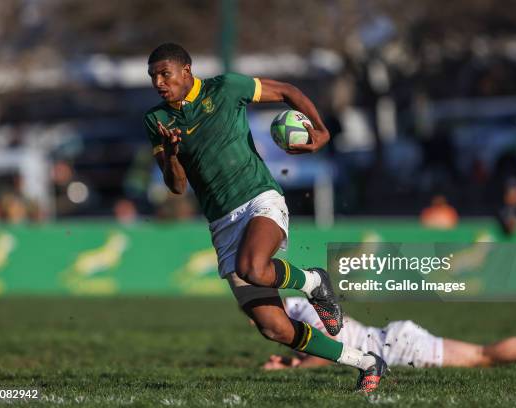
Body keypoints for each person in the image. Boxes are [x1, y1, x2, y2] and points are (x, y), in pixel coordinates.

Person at [143, 43, 385, 393]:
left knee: (253, 267)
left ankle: (313, 281)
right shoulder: (156, 120)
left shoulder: (225, 88)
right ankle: (366, 362)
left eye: (165, 73)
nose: (159, 82)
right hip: (221, 223)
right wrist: (171, 153)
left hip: (259, 199)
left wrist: (321, 131)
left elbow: (288, 91)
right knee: (275, 328)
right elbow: (177, 185)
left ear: (187, 70)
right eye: (153, 76)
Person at [263, 297, 516, 370]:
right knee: (481, 355)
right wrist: (293, 365)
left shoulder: (302, 309)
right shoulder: (298, 310)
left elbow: (329, 351)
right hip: (392, 340)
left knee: (482, 356)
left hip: (396, 347)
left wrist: (292, 372)